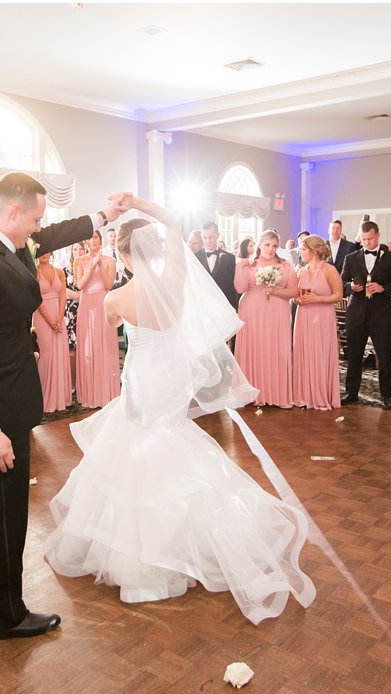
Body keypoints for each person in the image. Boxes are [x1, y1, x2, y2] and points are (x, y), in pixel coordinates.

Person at [42, 210, 315, 623]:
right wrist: (137, 202)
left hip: (142, 377)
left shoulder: (116, 298)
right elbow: (171, 222)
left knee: (137, 447)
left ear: (124, 255)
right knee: (170, 439)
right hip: (171, 379)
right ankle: (192, 544)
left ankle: (144, 559)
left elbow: (114, 326)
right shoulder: (176, 282)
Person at [0, 171, 134, 641]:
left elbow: (52, 234)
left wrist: (104, 216)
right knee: (5, 509)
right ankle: (5, 615)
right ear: (13, 212)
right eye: (34, 217)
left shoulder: (4, 242)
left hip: (7, 395)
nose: (38, 227)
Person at [340, 221, 391, 409]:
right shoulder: (351, 257)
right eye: (364, 239)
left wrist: (384, 288)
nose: (367, 242)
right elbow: (341, 283)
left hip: (381, 314)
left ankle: (386, 396)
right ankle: (351, 392)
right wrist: (351, 287)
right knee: (354, 355)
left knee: (384, 356)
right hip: (356, 314)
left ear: (378, 235)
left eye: (370, 239)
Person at [234, 230, 299, 408]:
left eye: (274, 246)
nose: (270, 249)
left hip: (277, 312)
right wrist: (239, 266)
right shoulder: (249, 265)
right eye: (267, 245)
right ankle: (251, 394)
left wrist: (275, 291)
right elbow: (240, 288)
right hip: (251, 311)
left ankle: (276, 394)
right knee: (254, 348)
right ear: (259, 246)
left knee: (276, 349)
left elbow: (294, 291)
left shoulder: (285, 265)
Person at [292, 236, 342, 410]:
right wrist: (298, 300)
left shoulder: (330, 270)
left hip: (322, 316)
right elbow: (295, 295)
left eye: (303, 249)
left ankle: (321, 395)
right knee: (304, 353)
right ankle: (304, 395)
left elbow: (338, 295)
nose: (300, 252)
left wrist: (318, 298)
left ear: (314, 251)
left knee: (320, 352)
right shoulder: (301, 271)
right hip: (304, 316)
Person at [74, 230, 120, 407]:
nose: (92, 241)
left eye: (95, 238)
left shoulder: (110, 261)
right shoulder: (80, 260)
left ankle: (106, 391)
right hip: (87, 305)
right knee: (88, 346)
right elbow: (80, 285)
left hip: (103, 303)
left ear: (100, 241)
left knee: (104, 345)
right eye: (89, 238)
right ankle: (90, 393)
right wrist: (92, 267)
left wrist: (100, 264)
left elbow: (109, 285)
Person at [33, 250, 70, 413]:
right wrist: (49, 320)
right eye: (41, 251)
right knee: (45, 357)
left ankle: (61, 397)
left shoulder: (60, 272)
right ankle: (43, 398)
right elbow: (36, 298)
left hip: (59, 318)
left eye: (47, 250)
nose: (44, 254)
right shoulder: (33, 272)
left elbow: (63, 295)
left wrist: (60, 317)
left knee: (60, 355)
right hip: (42, 319)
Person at [196, 222, 239, 308]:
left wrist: (233, 308)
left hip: (223, 306)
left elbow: (231, 287)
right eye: (205, 238)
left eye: (211, 237)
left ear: (218, 235)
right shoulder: (195, 257)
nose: (208, 241)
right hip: (202, 306)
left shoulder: (229, 258)